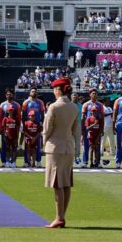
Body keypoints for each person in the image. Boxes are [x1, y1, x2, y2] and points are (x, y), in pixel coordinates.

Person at [43, 77, 80, 228]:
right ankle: (61, 216)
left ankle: (59, 217)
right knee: (66, 183)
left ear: (58, 90)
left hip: (55, 147)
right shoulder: (74, 107)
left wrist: (44, 142)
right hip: (68, 146)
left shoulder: (53, 107)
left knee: (57, 183)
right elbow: (75, 130)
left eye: (54, 89)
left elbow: (47, 129)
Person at [22, 87, 46, 168]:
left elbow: (42, 114)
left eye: (35, 91)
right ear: (30, 93)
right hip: (28, 127)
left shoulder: (40, 102)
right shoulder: (26, 102)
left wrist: (42, 123)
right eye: (32, 91)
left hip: (36, 127)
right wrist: (24, 125)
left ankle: (38, 161)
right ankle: (26, 162)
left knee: (38, 145)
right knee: (27, 146)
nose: (34, 92)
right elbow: (23, 115)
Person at [81, 89, 104, 168]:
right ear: (90, 95)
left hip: (97, 129)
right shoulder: (86, 104)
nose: (94, 95)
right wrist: (82, 128)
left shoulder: (100, 105)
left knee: (97, 147)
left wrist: (102, 129)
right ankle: (85, 162)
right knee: (86, 146)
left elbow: (102, 118)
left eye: (95, 93)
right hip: (88, 129)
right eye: (92, 93)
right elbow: (83, 117)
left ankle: (97, 162)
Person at [0, 88, 21, 167]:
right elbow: (0, 118)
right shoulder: (2, 105)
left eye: (10, 94)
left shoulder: (17, 105)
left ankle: (13, 161)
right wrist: (0, 129)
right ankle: (4, 162)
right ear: (5, 95)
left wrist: (18, 131)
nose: (9, 95)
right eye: (7, 94)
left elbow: (19, 119)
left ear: (13, 95)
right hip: (5, 130)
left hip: (14, 131)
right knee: (5, 146)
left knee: (14, 146)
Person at [71, 93, 83, 167]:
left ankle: (77, 157)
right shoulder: (68, 105)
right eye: (73, 96)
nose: (74, 97)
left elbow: (82, 115)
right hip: (70, 123)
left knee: (77, 141)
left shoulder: (80, 105)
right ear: (71, 97)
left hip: (78, 123)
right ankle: (70, 157)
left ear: (77, 97)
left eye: (76, 96)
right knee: (70, 141)